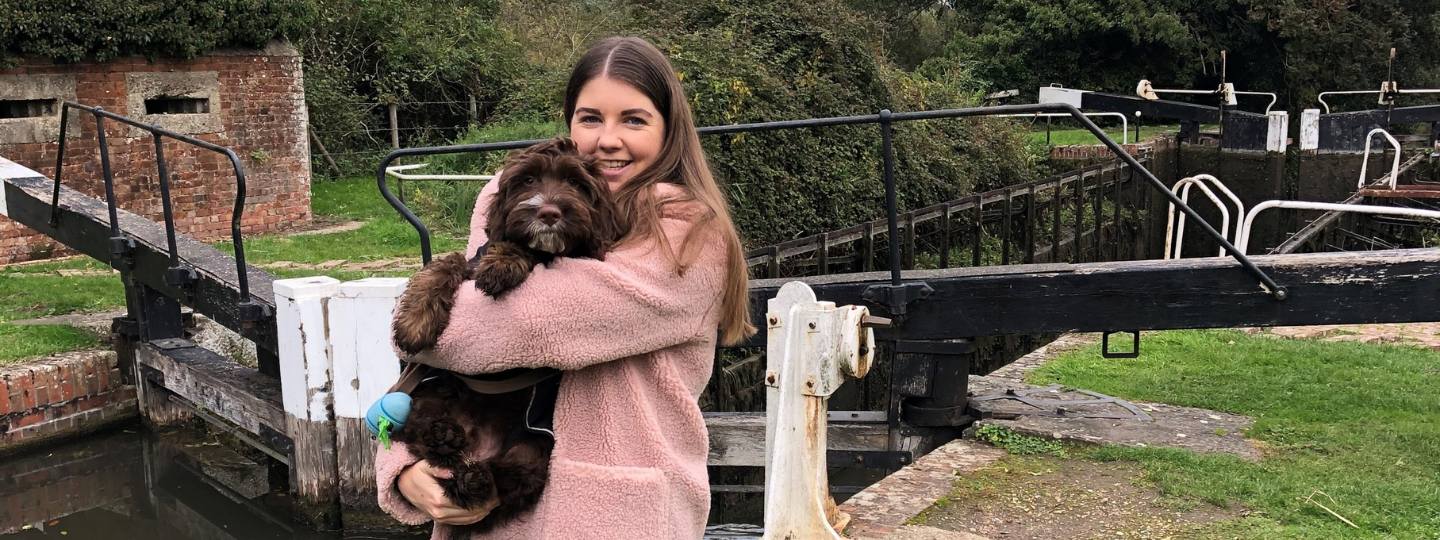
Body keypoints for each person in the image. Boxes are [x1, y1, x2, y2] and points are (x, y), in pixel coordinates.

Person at [375, 36, 755, 539]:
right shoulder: (510, 195)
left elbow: (480, 332)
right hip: (482, 510)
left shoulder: (686, 234)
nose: (607, 139)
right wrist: (404, 470)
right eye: (590, 118)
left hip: (607, 517)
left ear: (669, 132)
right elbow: (429, 354)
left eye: (634, 120)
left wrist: (453, 302)